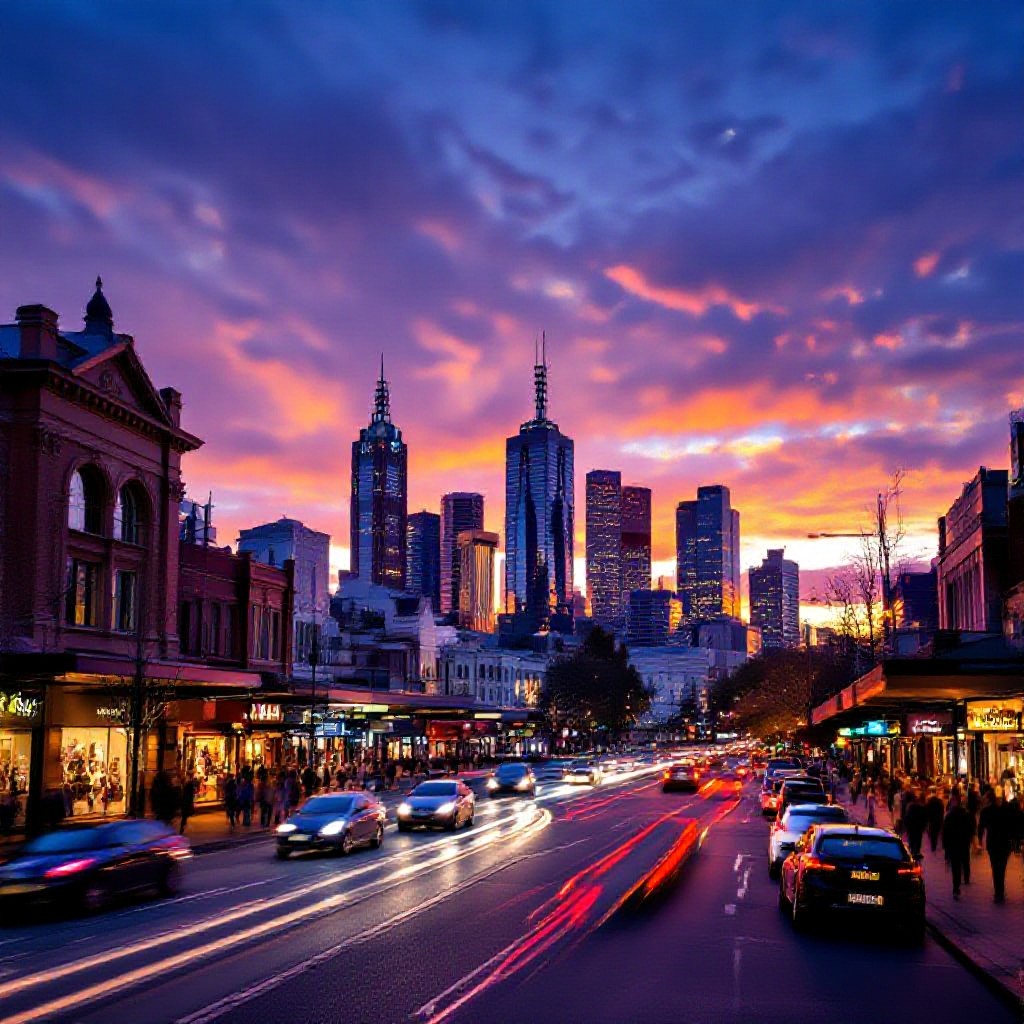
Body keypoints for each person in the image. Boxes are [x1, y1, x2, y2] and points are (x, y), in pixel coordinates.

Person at [978, 789, 1016, 903]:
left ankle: (998, 892)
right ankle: (999, 891)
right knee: (1000, 868)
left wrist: (979, 840)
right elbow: (1014, 825)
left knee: (997, 868)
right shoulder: (1008, 809)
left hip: (996, 843)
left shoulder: (987, 811)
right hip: (1002, 844)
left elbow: (980, 827)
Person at [942, 793, 973, 898]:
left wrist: (945, 846)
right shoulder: (966, 814)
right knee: (965, 860)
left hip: (953, 844)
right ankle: (966, 877)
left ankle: (956, 887)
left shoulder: (949, 816)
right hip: (964, 842)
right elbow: (971, 828)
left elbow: (945, 832)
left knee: (956, 866)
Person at [903, 791, 927, 860]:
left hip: (912, 827)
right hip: (919, 827)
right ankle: (917, 852)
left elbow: (907, 817)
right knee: (918, 839)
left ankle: (912, 851)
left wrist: (907, 826)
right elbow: (924, 818)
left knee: (912, 839)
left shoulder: (910, 807)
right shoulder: (922, 807)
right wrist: (923, 826)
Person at [925, 787, 945, 853]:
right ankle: (937, 844)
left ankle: (933, 846)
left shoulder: (929, 802)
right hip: (938, 819)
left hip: (932, 820)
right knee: (937, 832)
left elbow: (927, 811)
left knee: (933, 833)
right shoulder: (939, 802)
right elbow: (942, 811)